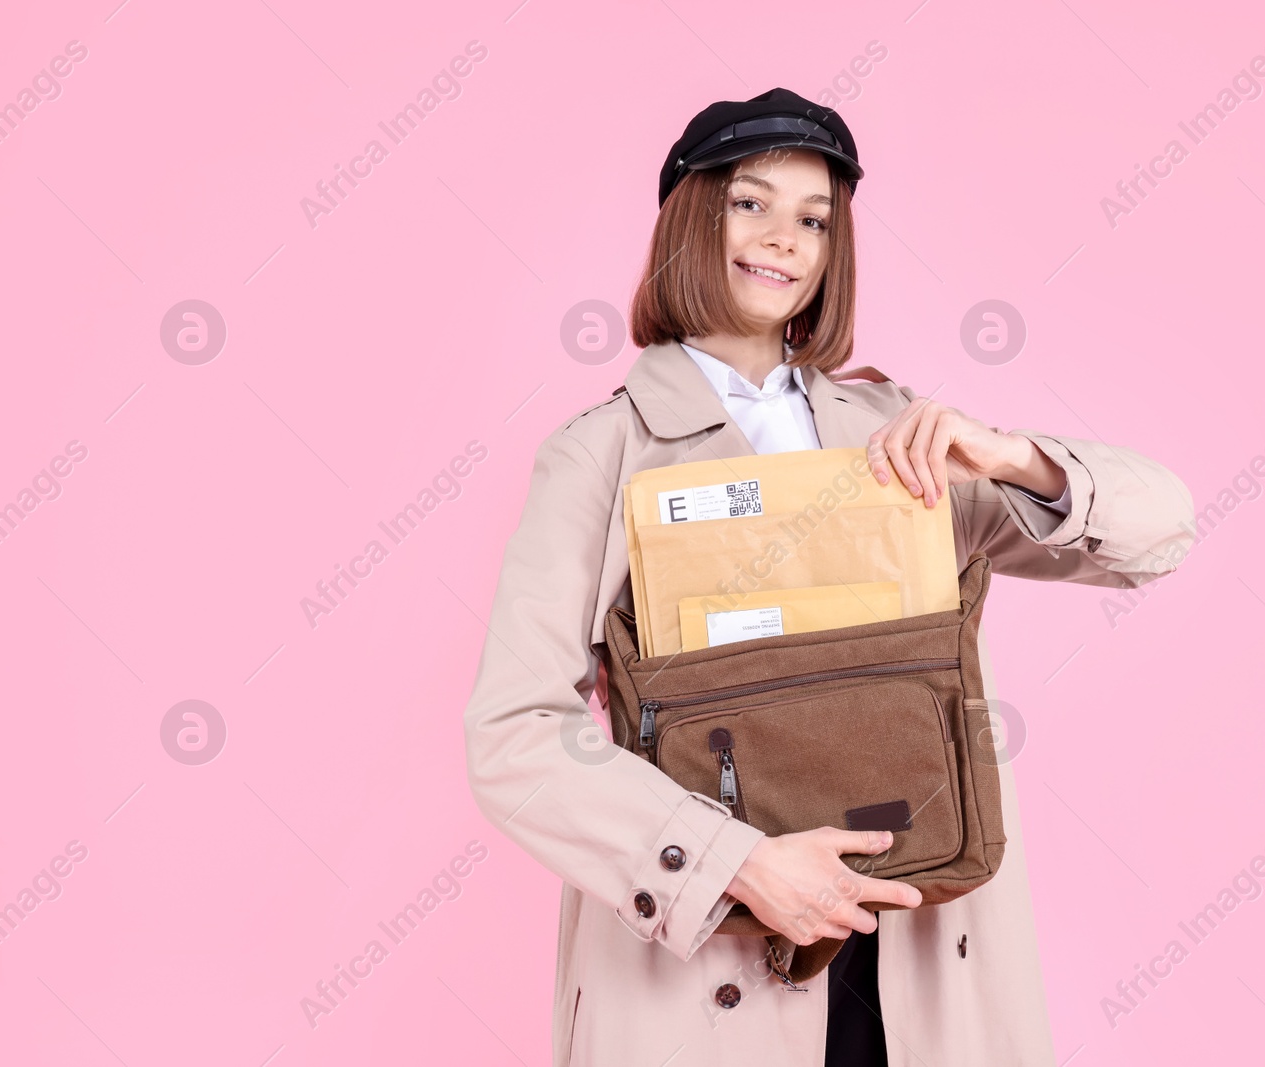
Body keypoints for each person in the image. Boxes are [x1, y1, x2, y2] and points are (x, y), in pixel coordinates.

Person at [462, 87, 1197, 1067]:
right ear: (689, 215)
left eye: (815, 218)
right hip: (706, 968)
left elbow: (1162, 531)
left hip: (927, 948)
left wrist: (1018, 456)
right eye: (750, 204)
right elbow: (515, 734)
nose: (785, 240)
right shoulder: (600, 454)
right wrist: (740, 865)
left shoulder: (897, 434)